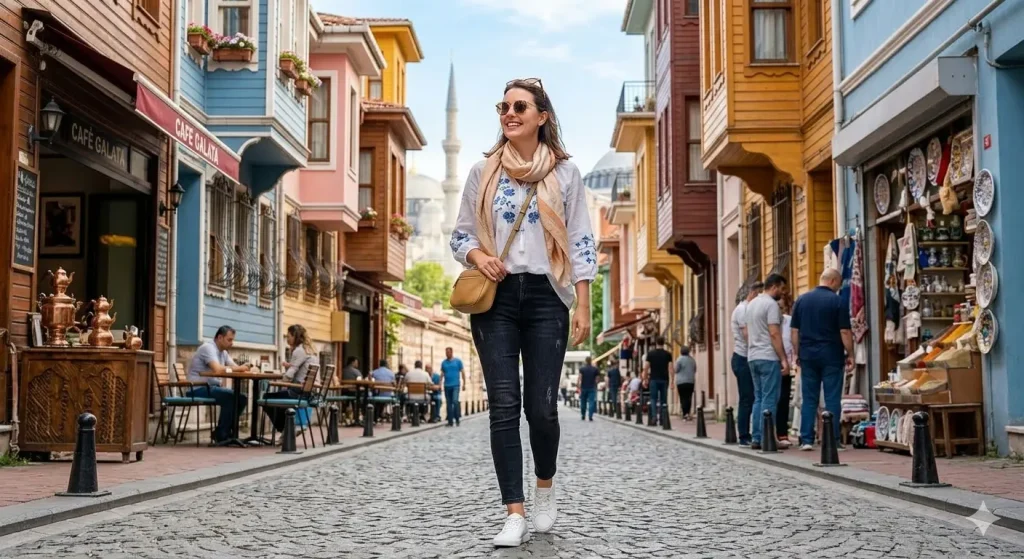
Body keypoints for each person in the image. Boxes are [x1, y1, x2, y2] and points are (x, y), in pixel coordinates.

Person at [449, 77, 595, 546]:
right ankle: (513, 511)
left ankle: (545, 488)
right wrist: (479, 258)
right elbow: (461, 235)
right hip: (496, 296)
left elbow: (581, 241)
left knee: (543, 408)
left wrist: (584, 304)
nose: (509, 113)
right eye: (503, 106)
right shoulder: (483, 171)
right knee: (504, 407)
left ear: (542, 117)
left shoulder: (567, 174)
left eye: (520, 106)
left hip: (548, 296)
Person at [792, 268, 854, 451]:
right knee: (832, 398)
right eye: (839, 284)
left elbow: (794, 332)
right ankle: (832, 439)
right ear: (833, 281)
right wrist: (850, 353)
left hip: (808, 356)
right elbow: (844, 331)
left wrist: (797, 353)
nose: (839, 287)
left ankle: (806, 440)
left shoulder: (801, 300)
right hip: (832, 355)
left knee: (809, 398)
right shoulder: (838, 301)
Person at [745, 273, 789, 451]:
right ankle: (767, 437)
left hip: (752, 355)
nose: (783, 293)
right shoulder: (771, 305)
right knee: (770, 398)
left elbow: (747, 332)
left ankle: (756, 437)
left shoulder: (752, 304)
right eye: (782, 288)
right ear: (775, 286)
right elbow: (774, 333)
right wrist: (783, 359)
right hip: (768, 356)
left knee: (759, 398)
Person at [186, 325, 249, 443]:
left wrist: (248, 368)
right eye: (229, 340)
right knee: (232, 398)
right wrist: (240, 368)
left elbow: (236, 367)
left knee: (241, 398)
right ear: (220, 337)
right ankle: (222, 434)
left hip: (211, 388)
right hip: (197, 389)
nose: (232, 343)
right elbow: (218, 370)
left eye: (232, 340)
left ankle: (225, 432)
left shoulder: (223, 352)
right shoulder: (208, 348)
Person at [262, 324, 315, 432]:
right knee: (278, 398)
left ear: (295, 336)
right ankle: (287, 430)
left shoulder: (299, 350)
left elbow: (290, 374)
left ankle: (286, 430)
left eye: (289, 336)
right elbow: (299, 369)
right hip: (307, 392)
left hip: (297, 392)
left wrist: (279, 382)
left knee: (266, 397)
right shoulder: (309, 350)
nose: (287, 338)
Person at [730, 281, 762, 446]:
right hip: (743, 357)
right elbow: (746, 335)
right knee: (747, 397)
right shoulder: (742, 310)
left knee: (751, 396)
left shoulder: (747, 309)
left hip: (747, 356)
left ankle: (748, 432)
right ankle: (743, 435)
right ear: (753, 293)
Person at [775, 293, 795, 449]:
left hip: (786, 366)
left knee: (783, 400)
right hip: (770, 363)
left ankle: (782, 434)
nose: (778, 311)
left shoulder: (789, 321)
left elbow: (794, 340)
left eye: (781, 308)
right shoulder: (766, 322)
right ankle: (768, 432)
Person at [643, 337, 673, 425]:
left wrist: (645, 379)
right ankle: (663, 419)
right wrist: (672, 381)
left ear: (656, 343)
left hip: (654, 379)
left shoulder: (650, 354)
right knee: (664, 399)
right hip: (664, 379)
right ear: (663, 343)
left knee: (653, 399)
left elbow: (646, 368)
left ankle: (654, 416)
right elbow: (671, 368)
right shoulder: (668, 354)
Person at [440, 347, 466, 427]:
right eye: (446, 352)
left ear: (451, 352)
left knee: (455, 401)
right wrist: (440, 383)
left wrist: (464, 383)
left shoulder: (458, 362)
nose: (447, 354)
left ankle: (457, 419)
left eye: (448, 352)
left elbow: (463, 372)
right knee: (448, 404)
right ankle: (450, 421)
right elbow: (442, 374)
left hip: (455, 385)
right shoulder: (444, 363)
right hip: (447, 385)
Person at [674, 345, 697, 420]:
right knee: (689, 397)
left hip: (681, 382)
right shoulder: (692, 360)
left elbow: (676, 370)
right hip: (690, 381)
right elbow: (695, 369)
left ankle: (685, 414)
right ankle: (688, 412)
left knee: (683, 397)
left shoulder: (679, 360)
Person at [577, 357, 599, 421]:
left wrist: (578, 385)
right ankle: (590, 416)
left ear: (586, 361)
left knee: (583, 402)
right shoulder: (595, 369)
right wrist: (595, 384)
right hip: (592, 388)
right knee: (591, 402)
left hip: (584, 387)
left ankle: (583, 415)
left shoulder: (582, 369)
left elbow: (580, 378)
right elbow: (597, 379)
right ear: (591, 361)